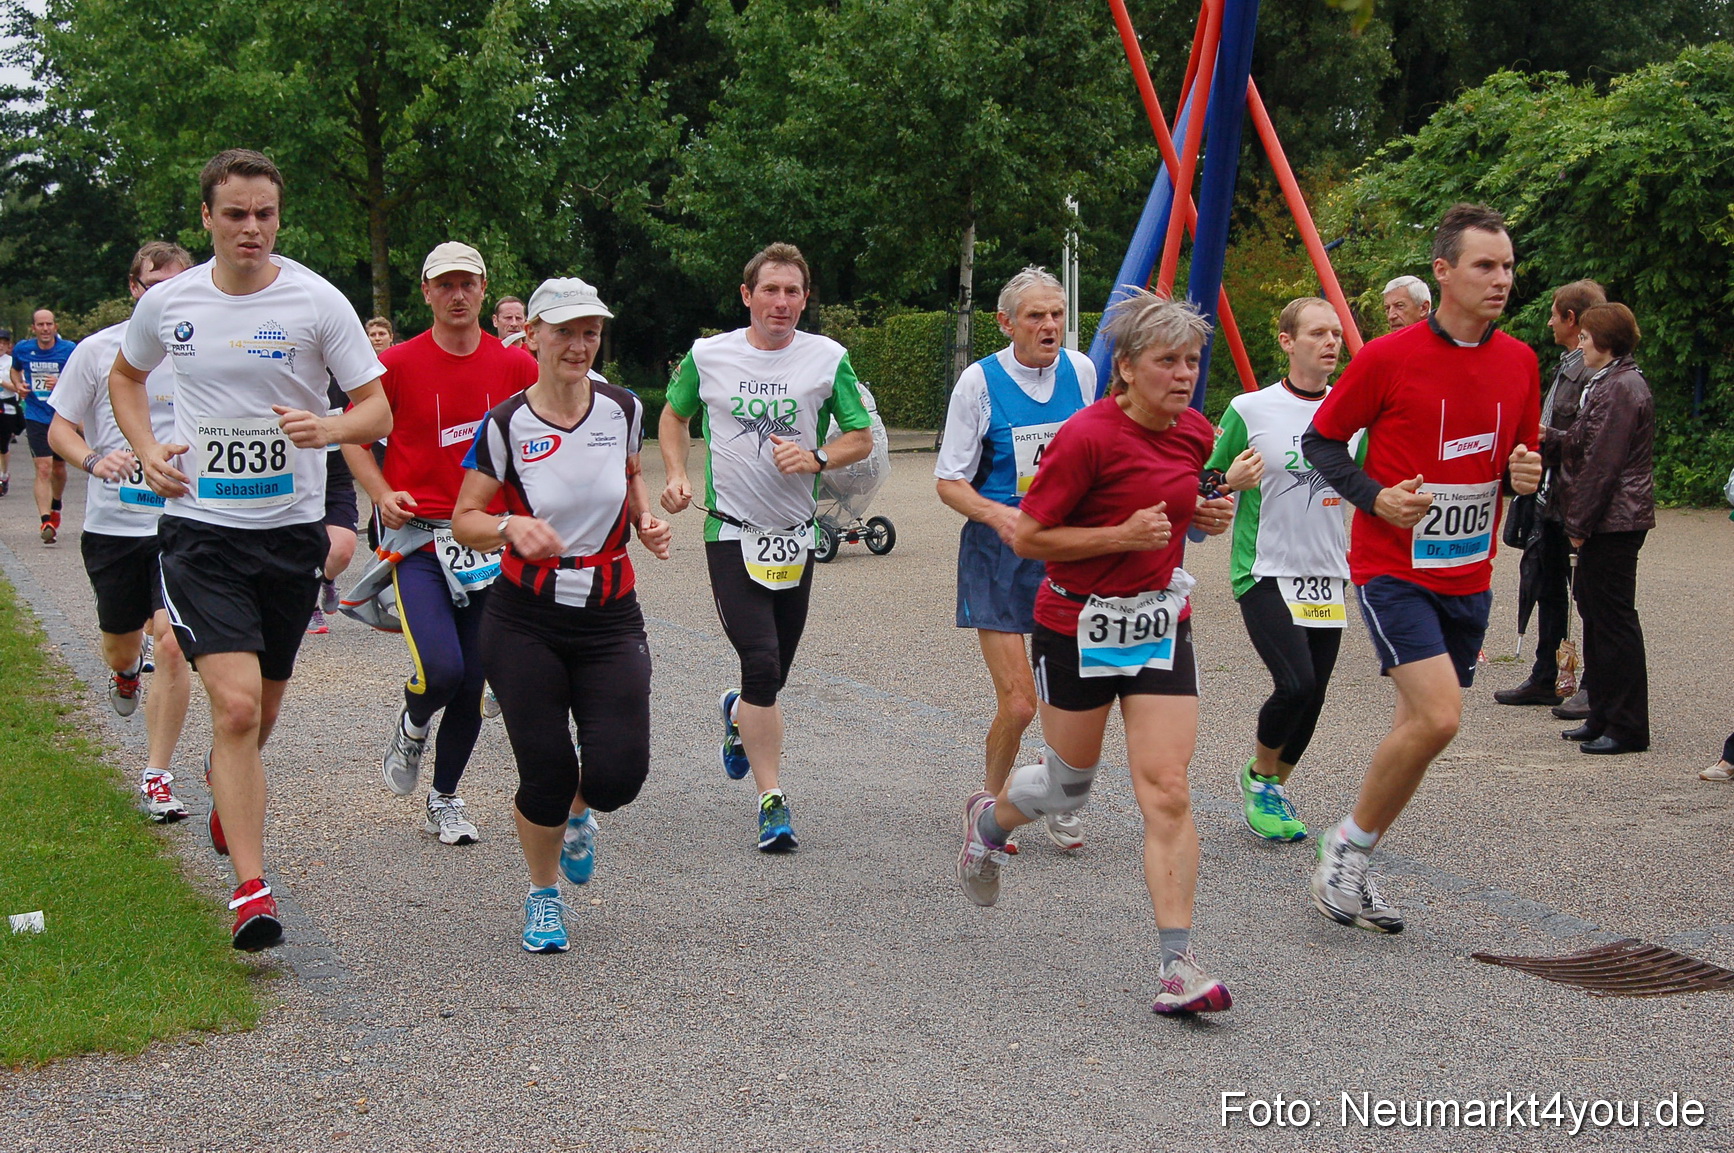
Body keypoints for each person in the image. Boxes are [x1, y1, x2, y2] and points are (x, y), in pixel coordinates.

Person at [109, 148, 391, 951]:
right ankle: (252, 892)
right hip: (201, 533)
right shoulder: (172, 303)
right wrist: (149, 450)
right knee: (232, 706)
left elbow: (377, 412)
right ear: (207, 218)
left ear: (279, 215)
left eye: (264, 213)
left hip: (289, 533)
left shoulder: (315, 301)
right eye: (235, 214)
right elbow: (127, 380)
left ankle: (222, 781)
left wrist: (328, 427)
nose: (252, 229)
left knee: (260, 713)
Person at [955, 290, 1240, 1014]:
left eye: (1192, 361)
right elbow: (1029, 537)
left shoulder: (1195, 430)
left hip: (1156, 625)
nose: (1183, 374)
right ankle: (988, 826)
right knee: (1066, 788)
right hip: (1076, 624)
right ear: (1126, 369)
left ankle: (1178, 966)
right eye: (1166, 361)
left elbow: (1187, 503)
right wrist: (1118, 536)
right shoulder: (1086, 437)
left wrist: (1206, 511)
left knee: (1167, 788)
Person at [1301, 203, 1542, 934]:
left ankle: (1357, 859)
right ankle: (1346, 846)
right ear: (1444, 271)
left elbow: (1514, 461)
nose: (1501, 279)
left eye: (1506, 266)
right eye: (1484, 266)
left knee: (1418, 728)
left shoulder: (1522, 361)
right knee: (1439, 715)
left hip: (1469, 571)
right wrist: (1378, 498)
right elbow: (1323, 444)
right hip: (1392, 566)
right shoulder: (1387, 357)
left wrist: (1524, 474)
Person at [452, 277, 670, 952]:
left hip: (609, 614)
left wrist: (646, 519)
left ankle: (581, 813)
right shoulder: (506, 424)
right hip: (526, 618)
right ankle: (542, 894)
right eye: (566, 331)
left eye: (591, 332)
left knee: (617, 776)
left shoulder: (623, 408)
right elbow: (465, 519)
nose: (579, 345)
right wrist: (510, 524)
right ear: (534, 334)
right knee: (544, 771)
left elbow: (628, 480)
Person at [659, 242, 873, 852]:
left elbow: (860, 435)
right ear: (747, 295)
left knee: (772, 674)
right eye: (771, 291)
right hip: (729, 530)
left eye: (794, 292)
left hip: (795, 536)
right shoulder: (709, 355)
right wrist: (675, 473)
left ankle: (736, 715)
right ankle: (771, 801)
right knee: (761, 662)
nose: (782, 303)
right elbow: (673, 418)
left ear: (806, 300)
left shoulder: (828, 358)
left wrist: (816, 457)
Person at [343, 241, 536, 843]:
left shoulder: (514, 368)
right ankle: (412, 719)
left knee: (474, 680)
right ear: (425, 292)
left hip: (485, 543)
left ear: (483, 291)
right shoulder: (395, 365)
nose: (457, 295)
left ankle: (445, 798)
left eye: (468, 284)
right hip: (419, 540)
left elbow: (548, 429)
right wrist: (379, 491)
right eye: (445, 284)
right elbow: (352, 435)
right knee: (442, 669)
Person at [935, 267, 1097, 853]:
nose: (1050, 325)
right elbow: (949, 481)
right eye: (1036, 316)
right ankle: (991, 801)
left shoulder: (1082, 371)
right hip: (998, 555)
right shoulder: (977, 383)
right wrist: (1002, 516)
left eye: (1056, 314)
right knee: (1021, 703)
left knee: (1070, 698)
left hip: (1066, 553)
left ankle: (1057, 796)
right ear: (1006, 323)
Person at [46, 241, 196, 822]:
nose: (165, 294)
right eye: (153, 284)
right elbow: (61, 427)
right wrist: (92, 460)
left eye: (176, 283)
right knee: (122, 641)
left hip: (182, 524)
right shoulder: (98, 350)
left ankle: (156, 775)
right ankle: (125, 673)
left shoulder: (201, 348)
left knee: (174, 645)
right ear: (135, 289)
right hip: (113, 526)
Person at [1206, 297, 1356, 843]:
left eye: (1336, 333)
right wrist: (1226, 484)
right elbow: (1205, 481)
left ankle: (1270, 784)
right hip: (1264, 568)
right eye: (1318, 333)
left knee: (1313, 695)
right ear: (1287, 342)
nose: (1331, 342)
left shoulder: (1352, 414)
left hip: (1327, 571)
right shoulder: (1250, 410)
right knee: (1294, 683)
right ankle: (1260, 780)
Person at [1493, 279, 1607, 711]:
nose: (1548, 321)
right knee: (1546, 586)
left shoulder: (1590, 370)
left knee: (1584, 596)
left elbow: (1584, 440)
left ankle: (1592, 684)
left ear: (1572, 320)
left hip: (1569, 499)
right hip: (1552, 497)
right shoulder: (1569, 365)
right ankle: (1547, 673)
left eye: (1554, 313)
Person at [1551, 303, 1653, 755]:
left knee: (1614, 622)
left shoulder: (1622, 387)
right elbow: (1578, 443)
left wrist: (1578, 524)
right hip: (1608, 517)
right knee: (1595, 617)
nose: (1582, 343)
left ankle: (1627, 725)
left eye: (1588, 337)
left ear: (1606, 341)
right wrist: (1542, 436)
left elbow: (1602, 464)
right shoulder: (1607, 382)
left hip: (1615, 520)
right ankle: (1601, 714)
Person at [11, 309, 77, 542]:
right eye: (41, 325)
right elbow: (15, 370)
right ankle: (45, 520)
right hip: (36, 415)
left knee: (59, 470)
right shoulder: (22, 349)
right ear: (34, 328)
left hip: (61, 416)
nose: (45, 329)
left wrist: (61, 382)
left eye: (49, 324)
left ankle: (56, 504)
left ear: (55, 326)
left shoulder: (68, 349)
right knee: (43, 468)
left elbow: (81, 376)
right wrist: (18, 385)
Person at [308, 377, 360, 634]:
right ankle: (308, 608)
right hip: (297, 481)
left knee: (342, 550)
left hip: (335, 479)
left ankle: (327, 580)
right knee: (304, 551)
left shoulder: (343, 381)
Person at [0, 327, 17, 495]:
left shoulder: (11, 363)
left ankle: (4, 474)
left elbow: (17, 387)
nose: (0, 346)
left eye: (3, 343)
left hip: (7, 406)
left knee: (2, 445)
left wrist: (1, 382)